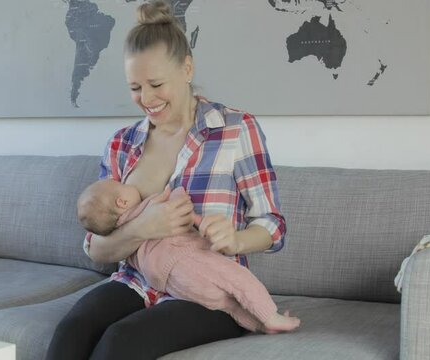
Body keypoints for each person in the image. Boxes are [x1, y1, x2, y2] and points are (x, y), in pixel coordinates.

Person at [46, 1, 288, 359]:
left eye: (156, 84)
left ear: (186, 68)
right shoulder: (122, 143)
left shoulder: (235, 129)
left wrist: (235, 238)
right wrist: (142, 227)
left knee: (121, 341)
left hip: (209, 293)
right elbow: (97, 248)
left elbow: (274, 226)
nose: (146, 99)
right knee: (71, 331)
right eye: (135, 87)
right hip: (136, 281)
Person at [76, 179, 300, 334]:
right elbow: (177, 200)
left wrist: (238, 240)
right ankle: (270, 316)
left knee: (226, 305)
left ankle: (259, 326)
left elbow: (272, 224)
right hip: (188, 259)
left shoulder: (120, 235)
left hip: (172, 283)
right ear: (121, 202)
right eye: (122, 185)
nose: (129, 184)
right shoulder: (148, 206)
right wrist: (178, 191)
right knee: (237, 281)